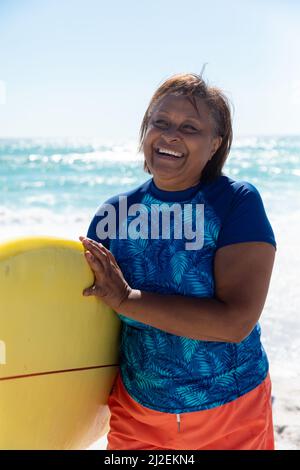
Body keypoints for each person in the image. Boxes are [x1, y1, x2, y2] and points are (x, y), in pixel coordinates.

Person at [80, 73, 276, 450]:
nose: (170, 135)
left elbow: (235, 322)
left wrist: (127, 299)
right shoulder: (113, 214)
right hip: (137, 412)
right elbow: (91, 318)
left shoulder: (236, 203)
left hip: (231, 410)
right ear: (145, 129)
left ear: (215, 143)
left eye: (190, 127)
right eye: (161, 122)